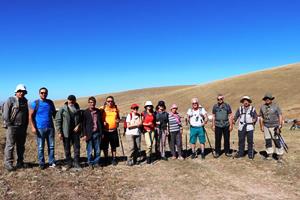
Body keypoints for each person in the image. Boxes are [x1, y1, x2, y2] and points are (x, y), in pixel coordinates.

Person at [3, 84, 29, 171]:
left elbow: (26, 114)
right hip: (12, 126)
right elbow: (5, 114)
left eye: (23, 92)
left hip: (22, 127)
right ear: (16, 92)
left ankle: (20, 162)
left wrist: (26, 125)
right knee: (10, 145)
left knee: (21, 146)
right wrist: (9, 124)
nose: (21, 93)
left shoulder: (25, 101)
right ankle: (8, 163)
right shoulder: (10, 100)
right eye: (19, 91)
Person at [29, 87, 56, 170]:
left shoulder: (50, 102)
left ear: (47, 93)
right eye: (42, 93)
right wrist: (33, 127)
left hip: (50, 128)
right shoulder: (35, 103)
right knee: (41, 147)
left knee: (51, 146)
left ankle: (51, 162)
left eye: (45, 93)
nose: (43, 94)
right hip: (40, 128)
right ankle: (41, 163)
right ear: (39, 93)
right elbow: (30, 116)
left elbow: (54, 114)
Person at [55, 95, 82, 169]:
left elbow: (81, 119)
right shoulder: (63, 109)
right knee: (67, 148)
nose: (71, 101)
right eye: (70, 100)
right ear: (67, 100)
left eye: (73, 100)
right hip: (66, 132)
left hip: (75, 132)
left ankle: (76, 162)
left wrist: (79, 126)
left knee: (77, 147)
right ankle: (69, 162)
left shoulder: (77, 108)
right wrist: (59, 132)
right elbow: (58, 120)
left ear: (75, 100)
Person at [259, 93, 284, 161]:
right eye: (266, 98)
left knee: (276, 141)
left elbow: (280, 115)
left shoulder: (276, 106)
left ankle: (279, 156)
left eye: (268, 98)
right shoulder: (262, 107)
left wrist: (280, 125)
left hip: (275, 126)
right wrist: (261, 126)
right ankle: (269, 154)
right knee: (268, 141)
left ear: (271, 99)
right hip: (266, 126)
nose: (267, 99)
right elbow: (261, 117)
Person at [82, 96, 103, 168]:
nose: (92, 104)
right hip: (89, 134)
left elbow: (100, 122)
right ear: (88, 103)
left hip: (97, 133)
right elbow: (83, 124)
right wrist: (84, 134)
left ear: (95, 103)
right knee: (89, 150)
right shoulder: (85, 112)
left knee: (97, 150)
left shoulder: (98, 111)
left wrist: (101, 133)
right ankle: (90, 162)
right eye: (90, 102)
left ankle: (96, 162)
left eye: (93, 102)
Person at [100, 96, 120, 166]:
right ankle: (106, 158)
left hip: (114, 130)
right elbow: (98, 119)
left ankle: (114, 158)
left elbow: (118, 118)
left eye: (111, 101)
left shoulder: (116, 108)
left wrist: (118, 121)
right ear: (106, 102)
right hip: (105, 131)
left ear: (113, 101)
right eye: (108, 101)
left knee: (113, 146)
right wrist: (102, 122)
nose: (110, 102)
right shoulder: (102, 109)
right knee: (105, 146)